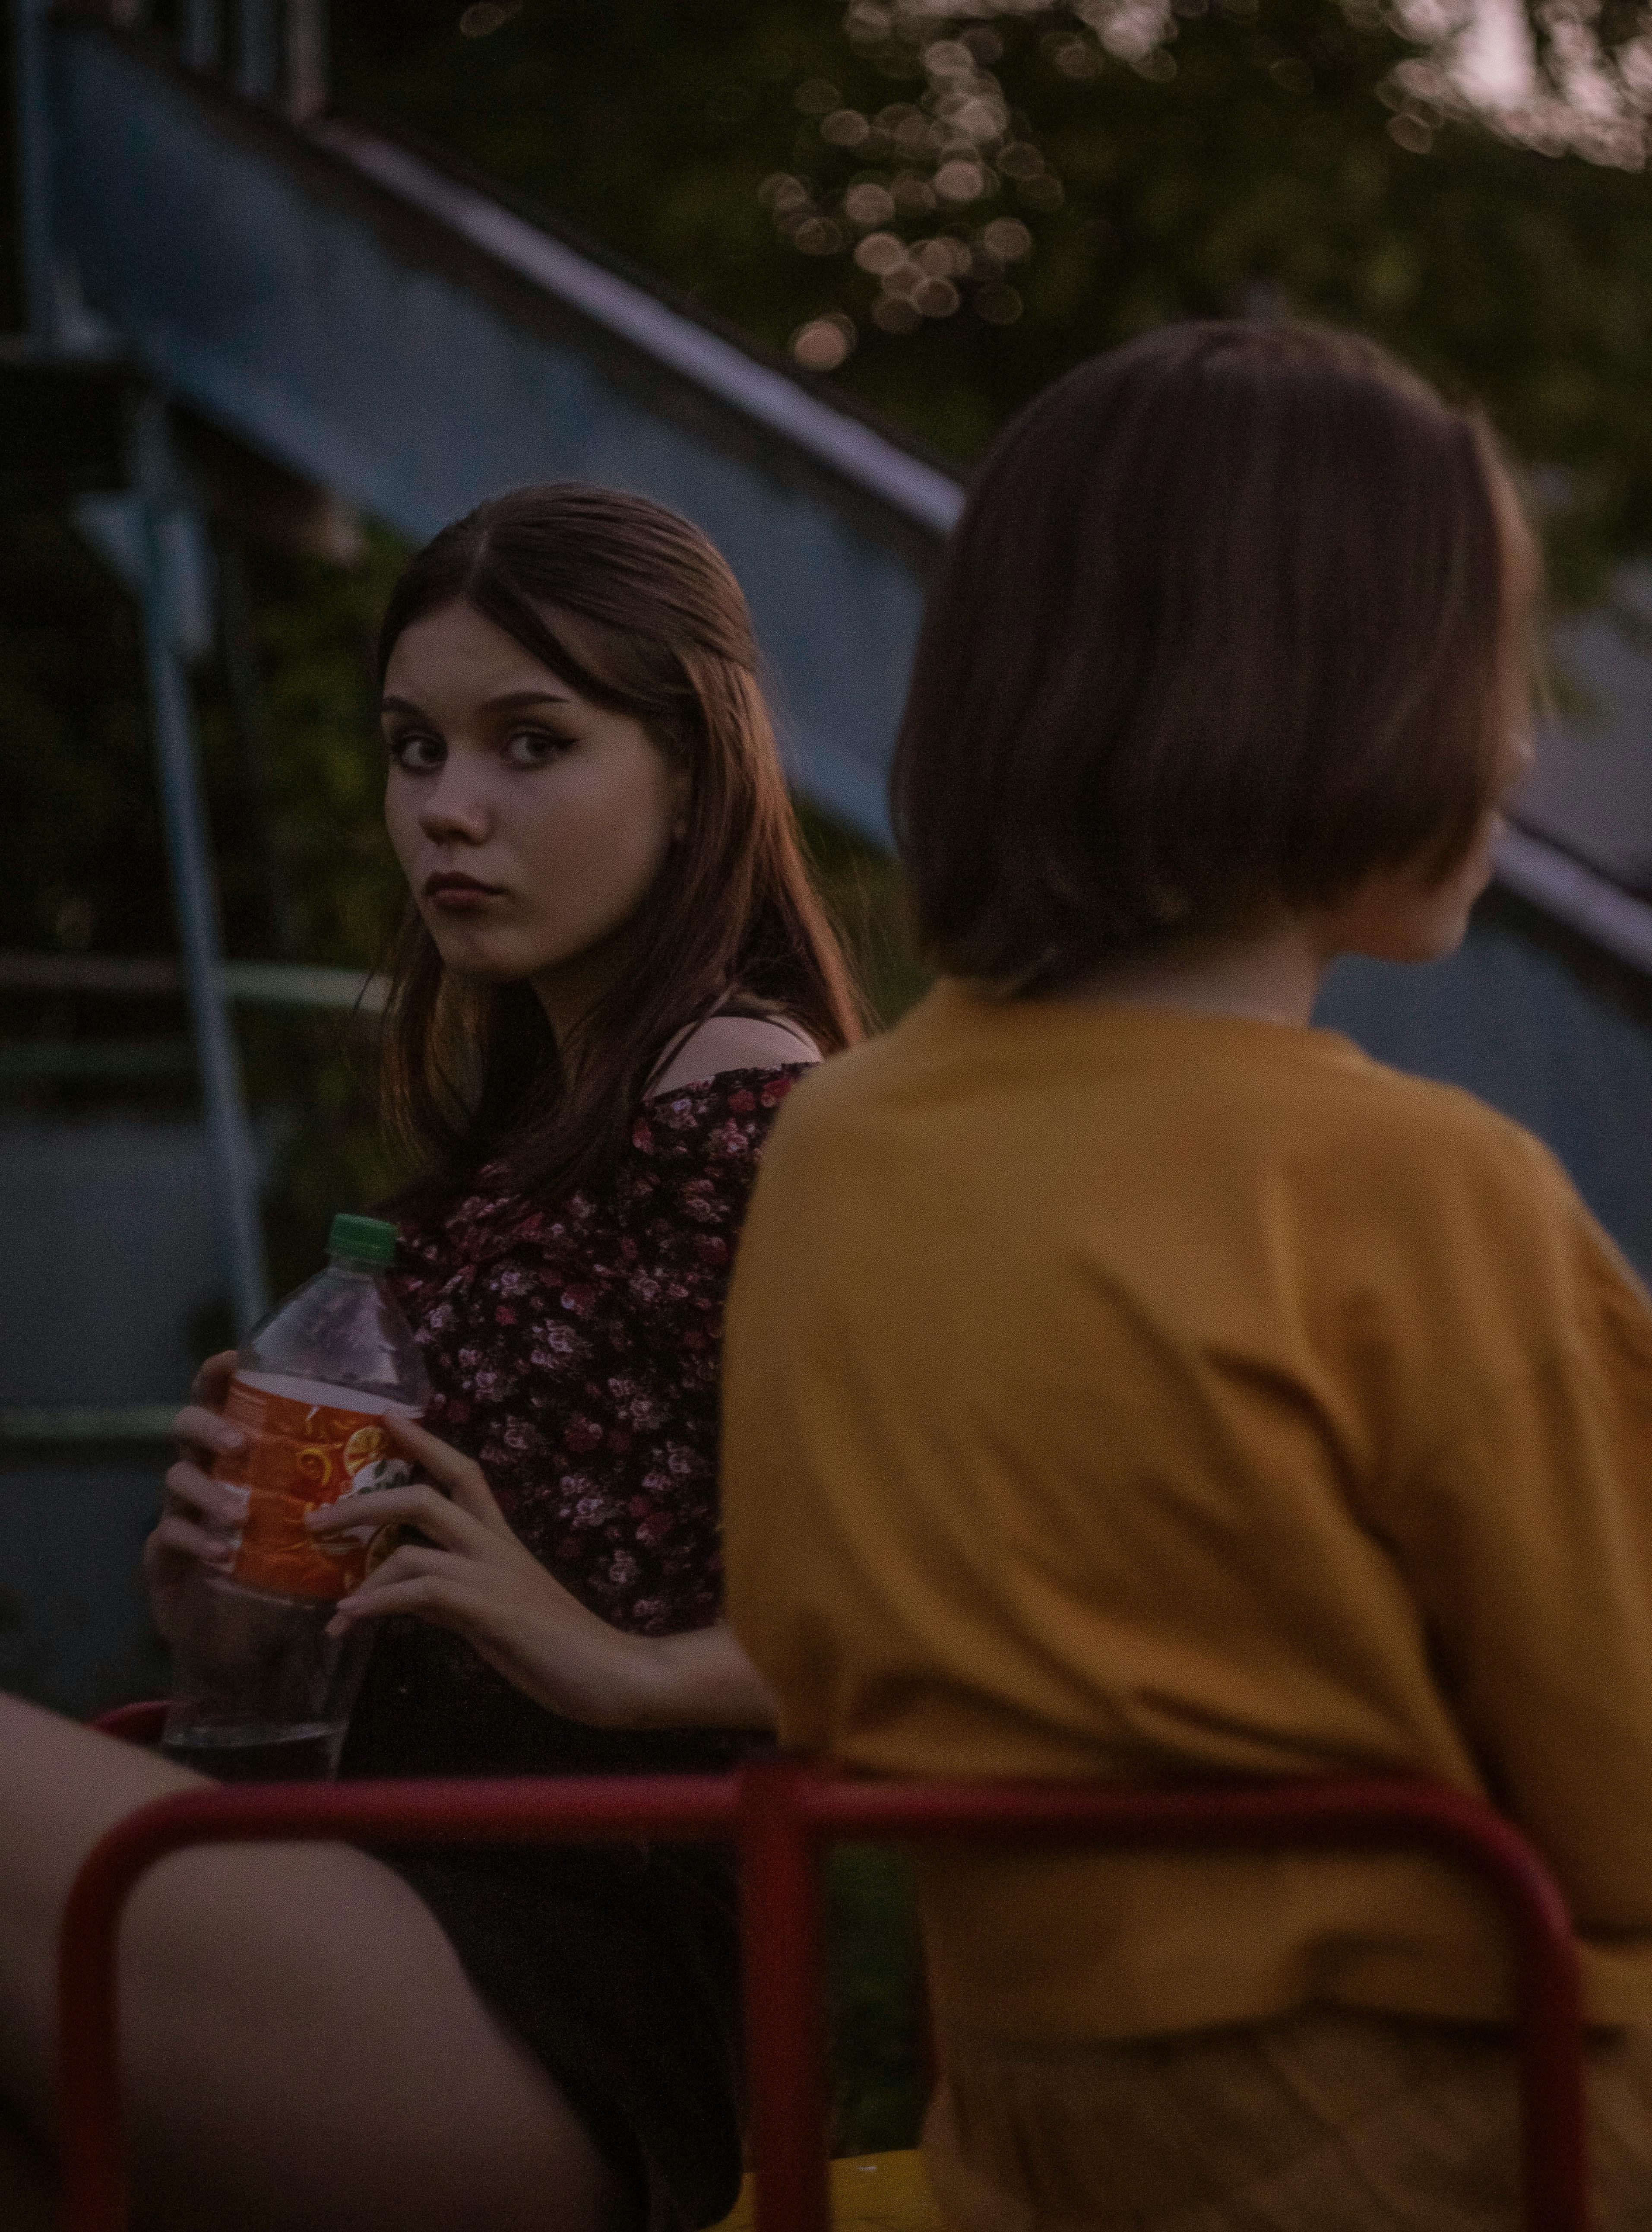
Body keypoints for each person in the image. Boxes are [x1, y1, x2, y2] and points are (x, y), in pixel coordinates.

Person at [720, 320, 1652, 2230]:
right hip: (1479, 2126)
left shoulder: (833, 1146)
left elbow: (811, 1651)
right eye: (1485, 669)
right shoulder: (1424, 1192)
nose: (1518, 739)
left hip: (1037, 2129)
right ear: (1333, 699)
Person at [0, 483, 859, 2232]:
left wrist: (615, 1660)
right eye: (413, 747)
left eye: (531, 742)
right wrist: (239, 1620)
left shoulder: (749, 1099)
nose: (447, 809)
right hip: (355, 1914)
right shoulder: (533, 1127)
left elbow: (949, 1589)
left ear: (692, 765)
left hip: (549, 2003)